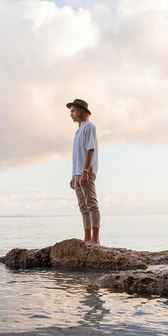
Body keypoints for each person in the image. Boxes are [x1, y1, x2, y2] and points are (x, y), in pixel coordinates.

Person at [67, 99, 101, 245]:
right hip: (77, 173)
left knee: (91, 204)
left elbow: (90, 150)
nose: (71, 114)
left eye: (73, 111)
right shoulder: (78, 130)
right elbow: (77, 155)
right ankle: (87, 238)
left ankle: (95, 239)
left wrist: (86, 171)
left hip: (86, 171)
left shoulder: (89, 127)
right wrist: (73, 175)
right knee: (83, 207)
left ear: (81, 111)